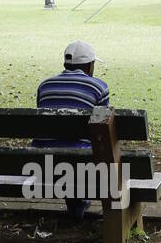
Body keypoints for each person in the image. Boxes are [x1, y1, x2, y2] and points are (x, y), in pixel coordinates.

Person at [36, 40, 109, 223]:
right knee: (84, 152)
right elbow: (102, 131)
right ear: (89, 66)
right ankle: (84, 207)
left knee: (65, 147)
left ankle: (77, 207)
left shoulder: (44, 86)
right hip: (80, 165)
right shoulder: (98, 87)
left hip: (43, 164)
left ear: (65, 64)